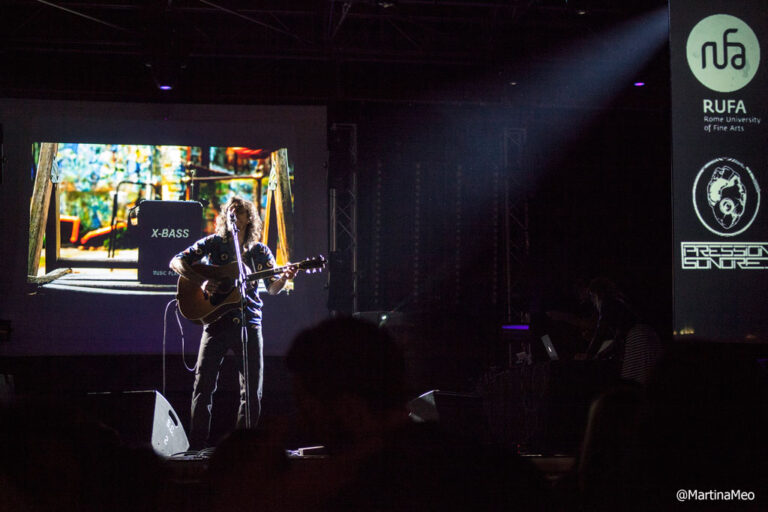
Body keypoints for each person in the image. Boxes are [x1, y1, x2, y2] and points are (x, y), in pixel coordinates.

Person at [170, 195, 297, 449]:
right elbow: (176, 261)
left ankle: (243, 449)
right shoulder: (214, 244)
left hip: (249, 323)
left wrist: (284, 277)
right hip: (216, 323)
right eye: (229, 211)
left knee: (251, 392)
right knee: (203, 386)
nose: (232, 215)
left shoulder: (259, 251)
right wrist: (202, 281)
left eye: (238, 211)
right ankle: (196, 446)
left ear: (248, 218)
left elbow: (272, 289)